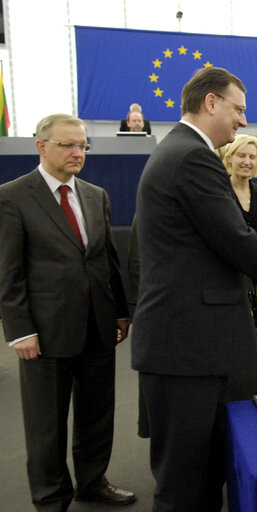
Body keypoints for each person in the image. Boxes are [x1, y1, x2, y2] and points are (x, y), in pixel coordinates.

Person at [131, 67, 257, 512]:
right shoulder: (191, 157)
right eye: (238, 109)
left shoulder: (179, 151)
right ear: (211, 102)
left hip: (193, 345)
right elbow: (236, 238)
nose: (242, 121)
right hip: (187, 349)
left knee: (203, 474)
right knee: (185, 482)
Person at [0, 113, 135, 510]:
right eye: (68, 145)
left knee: (97, 414)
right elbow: (8, 271)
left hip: (98, 326)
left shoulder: (96, 195)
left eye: (83, 146)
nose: (78, 152)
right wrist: (19, 330)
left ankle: (92, 482)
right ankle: (50, 497)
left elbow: (107, 261)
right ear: (41, 146)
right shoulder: (12, 196)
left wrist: (121, 313)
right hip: (45, 332)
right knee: (47, 425)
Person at [222, 134, 257, 330]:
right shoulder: (218, 192)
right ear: (230, 157)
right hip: (228, 284)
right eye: (241, 155)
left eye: (252, 157)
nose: (247, 162)